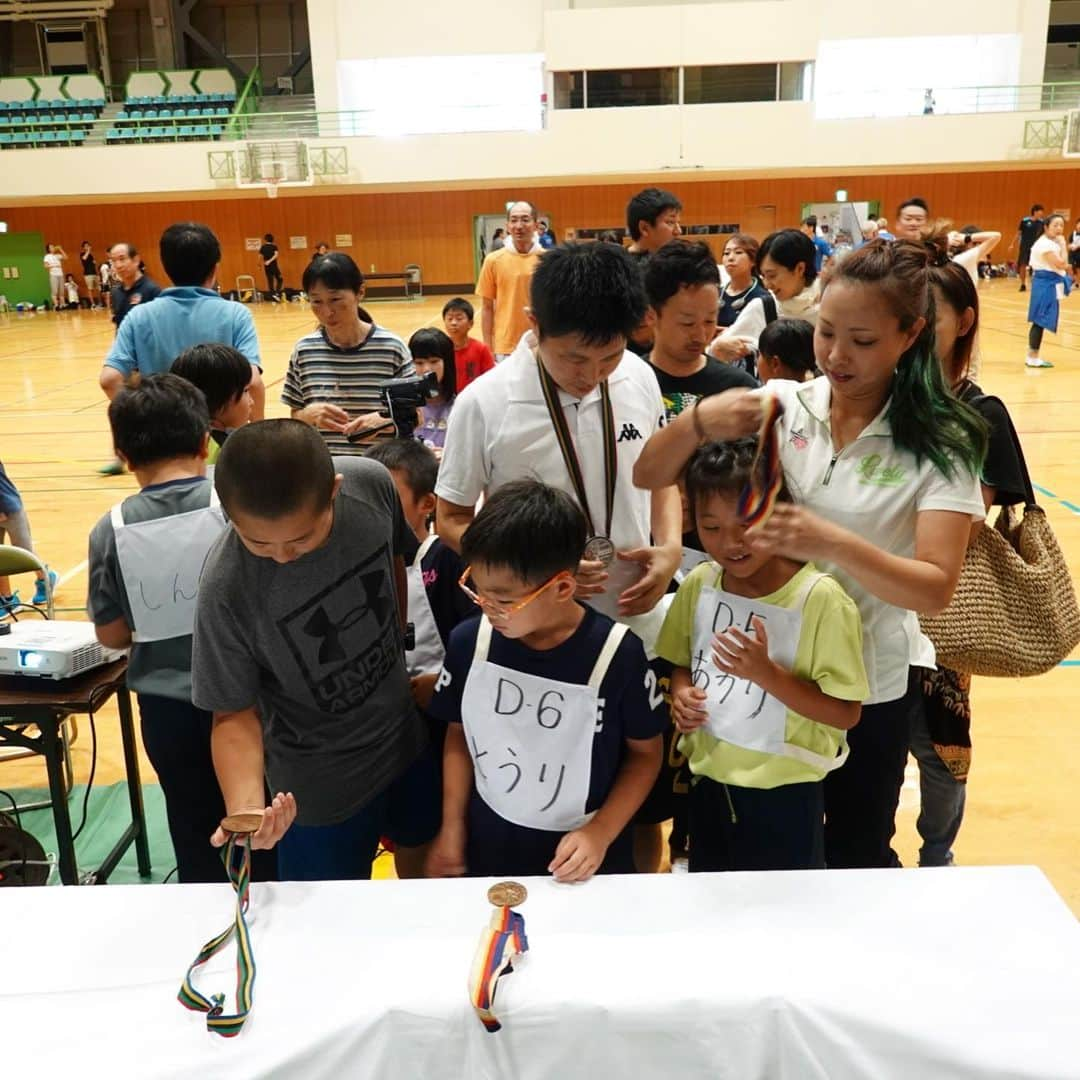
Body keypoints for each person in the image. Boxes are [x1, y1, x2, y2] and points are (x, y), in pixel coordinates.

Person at [633, 239, 988, 870]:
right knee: (760, 848)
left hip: (866, 686)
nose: (837, 355)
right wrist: (698, 422)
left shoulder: (942, 441)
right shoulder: (783, 405)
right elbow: (647, 473)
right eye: (826, 332)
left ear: (909, 335)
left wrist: (829, 541)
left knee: (854, 851)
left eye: (863, 340)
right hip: (755, 676)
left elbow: (935, 587)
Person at [191, 420, 439, 880]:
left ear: (334, 492)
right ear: (228, 515)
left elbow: (393, 561)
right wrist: (247, 812)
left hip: (404, 742)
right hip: (318, 785)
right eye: (259, 542)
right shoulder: (226, 588)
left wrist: (397, 649)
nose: (283, 555)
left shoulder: (370, 485)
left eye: (303, 537)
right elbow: (232, 713)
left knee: (425, 886)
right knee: (328, 930)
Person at [436, 240, 682, 649]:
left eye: (610, 357)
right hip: (538, 627)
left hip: (634, 614)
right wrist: (538, 570)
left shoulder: (639, 377)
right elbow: (451, 519)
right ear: (535, 324)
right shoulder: (484, 402)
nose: (593, 375)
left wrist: (671, 547)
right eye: (575, 359)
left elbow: (661, 477)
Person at [87, 374, 275, 885]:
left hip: (168, 711)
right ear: (202, 440)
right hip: (252, 702)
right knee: (265, 826)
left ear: (123, 453)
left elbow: (110, 635)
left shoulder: (111, 528)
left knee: (195, 832)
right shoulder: (237, 501)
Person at [425, 480, 665, 881]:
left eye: (503, 601)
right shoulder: (470, 641)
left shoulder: (618, 654)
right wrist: (452, 826)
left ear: (562, 587)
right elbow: (458, 733)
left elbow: (645, 754)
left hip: (582, 857)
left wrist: (600, 833)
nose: (488, 609)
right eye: (477, 591)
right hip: (488, 844)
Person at [657, 440, 867, 871]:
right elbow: (681, 664)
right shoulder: (700, 583)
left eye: (747, 524)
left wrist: (767, 673)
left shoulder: (821, 600)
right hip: (709, 781)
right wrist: (681, 696)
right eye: (711, 528)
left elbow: (846, 712)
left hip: (787, 793)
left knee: (785, 921)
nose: (731, 543)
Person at [914, 250, 1028, 867]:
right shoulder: (883, 402)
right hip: (871, 603)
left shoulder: (981, 414)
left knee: (939, 748)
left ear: (963, 320)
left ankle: (937, 856)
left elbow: (970, 512)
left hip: (942, 615)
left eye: (926, 316)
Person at [99, 224, 265, 420]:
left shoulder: (138, 316)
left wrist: (144, 418)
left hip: (165, 436)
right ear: (215, 269)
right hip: (221, 438)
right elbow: (252, 382)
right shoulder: (236, 314)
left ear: (166, 266)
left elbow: (110, 380)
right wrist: (254, 433)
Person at [365, 438, 473, 719]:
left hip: (445, 707)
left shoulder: (447, 558)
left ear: (427, 503)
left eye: (388, 497)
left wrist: (446, 680)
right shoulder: (361, 562)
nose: (374, 508)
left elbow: (477, 635)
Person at [283, 252, 413, 454]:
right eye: (316, 301)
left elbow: (416, 415)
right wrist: (309, 415)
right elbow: (295, 415)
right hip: (326, 471)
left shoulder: (392, 348)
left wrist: (383, 420)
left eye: (335, 299)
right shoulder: (303, 351)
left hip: (379, 472)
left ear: (360, 292)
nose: (327, 312)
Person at [643, 240, 758, 423]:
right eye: (687, 323)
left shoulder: (739, 389)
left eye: (710, 320)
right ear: (651, 315)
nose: (701, 335)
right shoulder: (629, 384)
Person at [708, 228, 819, 366]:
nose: (767, 285)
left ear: (800, 269)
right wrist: (718, 347)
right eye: (763, 277)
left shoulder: (831, 306)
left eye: (772, 275)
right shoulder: (764, 307)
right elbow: (714, 351)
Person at [477, 200, 543, 361]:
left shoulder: (548, 260)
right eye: (514, 220)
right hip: (505, 346)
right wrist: (488, 347)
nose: (519, 225)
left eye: (525, 219)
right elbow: (486, 308)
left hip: (540, 343)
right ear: (507, 226)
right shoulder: (493, 260)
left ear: (536, 225)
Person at [170, 343, 255, 463]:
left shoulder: (176, 442)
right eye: (246, 391)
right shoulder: (232, 453)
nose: (252, 401)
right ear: (219, 398)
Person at [0, 458, 56, 612]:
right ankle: (7, 599)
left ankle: (45, 578)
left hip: (10, 509)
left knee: (24, 550)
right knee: (0, 555)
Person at [1025, 213, 1071, 369]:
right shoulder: (1045, 244)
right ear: (1046, 227)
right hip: (1045, 284)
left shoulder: (1051, 243)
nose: (1059, 229)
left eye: (1061, 225)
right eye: (1055, 225)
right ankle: (1032, 357)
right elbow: (1062, 264)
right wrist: (1064, 245)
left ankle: (1033, 355)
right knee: (1040, 319)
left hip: (1048, 283)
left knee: (1041, 320)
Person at [408, 327, 457, 456]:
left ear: (447, 362)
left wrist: (449, 456)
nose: (426, 369)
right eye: (419, 362)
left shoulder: (461, 405)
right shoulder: (405, 406)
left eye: (434, 361)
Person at [717, 233, 771, 329]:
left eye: (738, 252)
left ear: (753, 261)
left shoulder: (762, 297)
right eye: (726, 253)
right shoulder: (716, 293)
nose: (730, 258)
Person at [442, 297, 495, 391]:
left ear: (470, 323)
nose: (453, 323)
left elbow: (490, 378)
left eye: (459, 318)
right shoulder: (441, 349)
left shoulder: (481, 349)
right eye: (449, 319)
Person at [108, 242, 162, 328]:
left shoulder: (152, 290)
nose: (118, 265)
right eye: (114, 261)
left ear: (136, 260)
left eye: (122, 259)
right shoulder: (115, 292)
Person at [626, 187, 683, 256]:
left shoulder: (675, 260)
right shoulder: (619, 265)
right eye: (670, 222)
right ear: (644, 228)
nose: (679, 231)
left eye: (678, 223)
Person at [756, 318, 816, 382]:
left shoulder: (760, 392)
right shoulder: (823, 387)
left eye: (759, 354)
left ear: (775, 364)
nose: (757, 360)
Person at [1014, 204, 1046, 293]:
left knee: (1036, 266)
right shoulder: (1025, 221)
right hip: (1024, 246)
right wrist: (1012, 244)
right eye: (1040, 211)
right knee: (1023, 265)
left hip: (1036, 248)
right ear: (1035, 212)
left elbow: (1045, 234)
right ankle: (1023, 284)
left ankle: (1035, 284)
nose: (1042, 213)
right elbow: (1018, 233)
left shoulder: (1042, 223)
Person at [259, 233, 283, 302]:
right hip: (274, 266)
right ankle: (277, 294)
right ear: (272, 239)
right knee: (280, 279)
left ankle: (273, 296)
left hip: (267, 266)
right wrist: (270, 261)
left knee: (270, 281)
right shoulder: (274, 246)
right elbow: (276, 255)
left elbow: (260, 256)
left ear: (265, 239)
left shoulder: (263, 247)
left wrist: (259, 264)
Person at [43, 243, 67, 311]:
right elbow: (45, 266)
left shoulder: (58, 255)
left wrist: (60, 249)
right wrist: (54, 266)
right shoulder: (47, 256)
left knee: (62, 291)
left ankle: (63, 305)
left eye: (53, 247)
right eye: (51, 247)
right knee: (55, 291)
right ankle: (56, 305)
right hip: (53, 275)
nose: (53, 248)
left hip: (60, 274)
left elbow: (65, 257)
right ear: (48, 249)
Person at [80, 241, 101, 309]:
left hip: (94, 273)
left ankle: (99, 303)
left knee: (98, 289)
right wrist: (88, 251)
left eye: (88, 245)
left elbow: (94, 263)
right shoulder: (82, 254)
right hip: (88, 274)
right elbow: (84, 258)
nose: (88, 247)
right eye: (86, 246)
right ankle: (93, 304)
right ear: (83, 247)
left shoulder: (91, 255)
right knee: (90, 289)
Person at [1069, 217, 1080, 285]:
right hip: (1073, 254)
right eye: (1078, 224)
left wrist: (1078, 246)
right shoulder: (1072, 233)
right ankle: (1075, 282)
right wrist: (1070, 246)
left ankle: (1078, 282)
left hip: (1079, 253)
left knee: (1079, 268)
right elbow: (1069, 243)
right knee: (1072, 268)